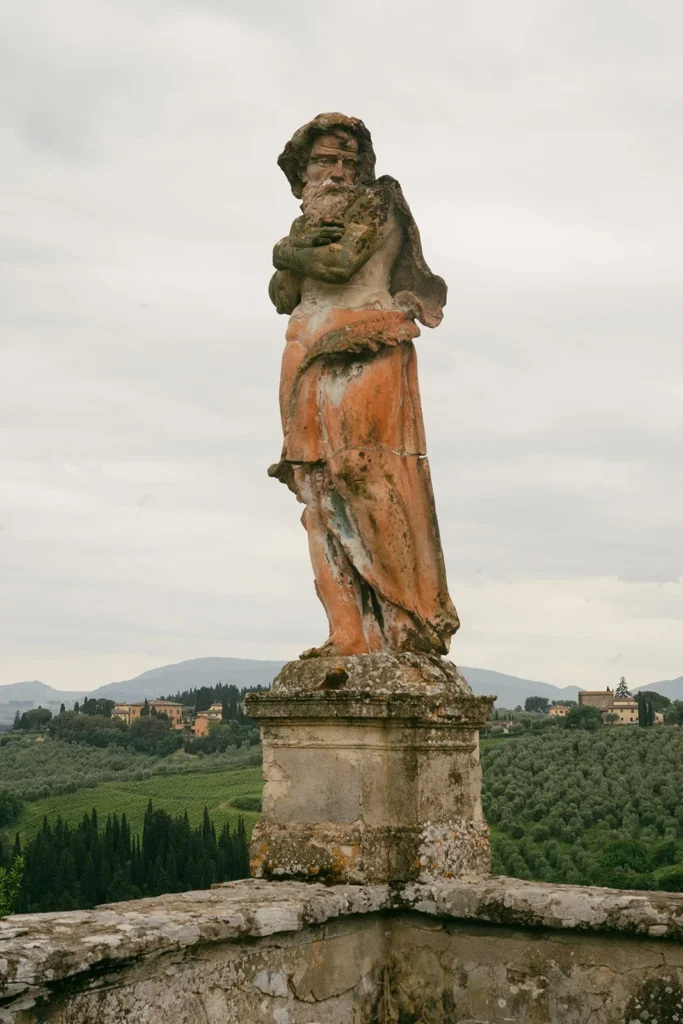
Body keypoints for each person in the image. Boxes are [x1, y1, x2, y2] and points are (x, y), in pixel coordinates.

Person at [269, 112, 459, 658]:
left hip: (367, 341)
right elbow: (284, 294)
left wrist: (285, 251)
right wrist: (294, 250)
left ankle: (407, 620)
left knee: (364, 473)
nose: (338, 173)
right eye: (325, 161)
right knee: (316, 492)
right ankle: (347, 632)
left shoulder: (380, 202)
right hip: (304, 354)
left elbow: (340, 263)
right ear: (303, 172)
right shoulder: (304, 225)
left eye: (349, 162)